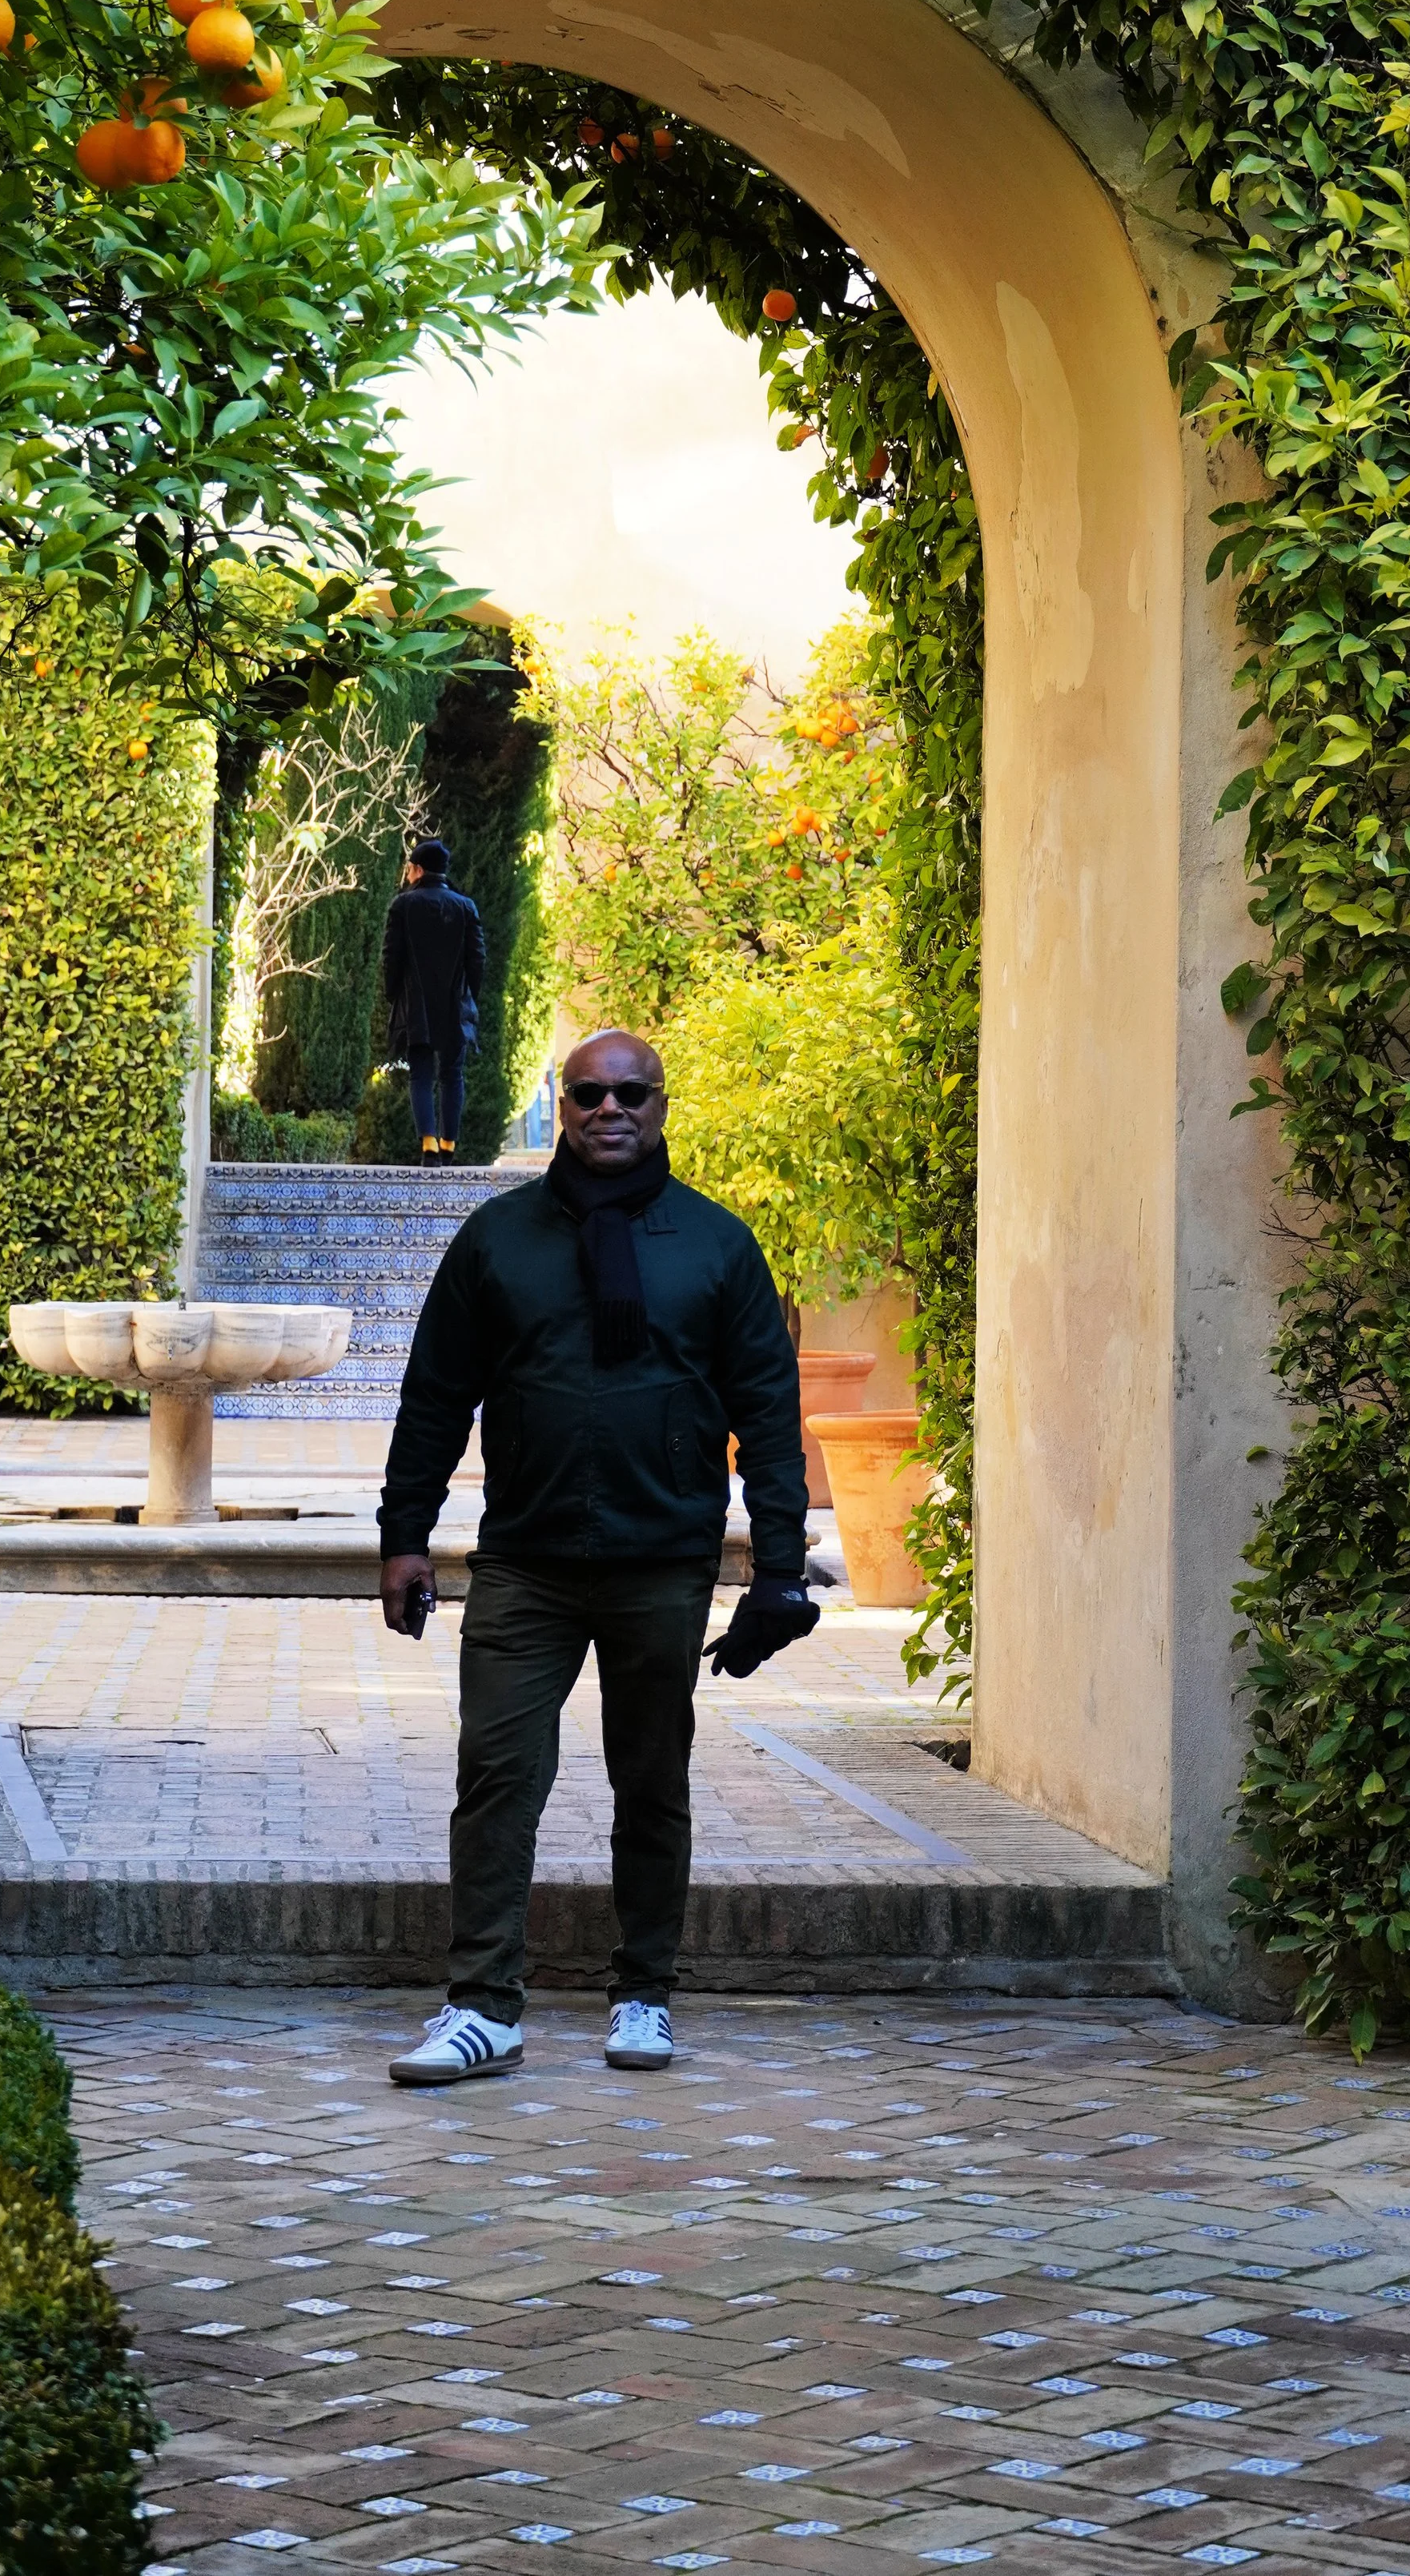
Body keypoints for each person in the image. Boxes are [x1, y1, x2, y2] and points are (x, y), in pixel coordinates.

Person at [376, 1027, 817, 2081]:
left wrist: (783, 1569)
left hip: (661, 1559)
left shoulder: (716, 1245)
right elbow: (436, 1395)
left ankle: (644, 1993)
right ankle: (484, 2005)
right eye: (589, 1093)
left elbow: (768, 1411)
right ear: (562, 1106)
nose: (610, 1109)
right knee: (495, 1775)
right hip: (525, 1558)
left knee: (651, 1782)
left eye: (631, 1093)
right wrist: (404, 1536)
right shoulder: (498, 1240)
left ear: (662, 1105)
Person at [380, 835, 487, 1161]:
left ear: (418, 869)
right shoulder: (466, 907)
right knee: (453, 1073)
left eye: (409, 868)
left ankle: (428, 1142)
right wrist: (471, 996)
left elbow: (391, 956)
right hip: (454, 1004)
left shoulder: (403, 905)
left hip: (417, 1005)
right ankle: (449, 1144)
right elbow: (477, 958)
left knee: (421, 1073)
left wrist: (392, 991)